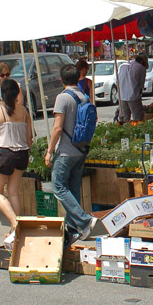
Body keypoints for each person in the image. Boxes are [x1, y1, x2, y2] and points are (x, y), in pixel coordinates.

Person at [45, 64, 97, 243]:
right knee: (73, 190)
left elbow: (58, 127)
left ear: (61, 79)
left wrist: (49, 151)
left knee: (58, 186)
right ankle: (72, 229)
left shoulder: (62, 98)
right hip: (81, 150)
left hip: (66, 151)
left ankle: (84, 221)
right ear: (78, 78)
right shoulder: (84, 96)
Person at [0, 78, 32, 248]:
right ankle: (14, 229)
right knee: (13, 192)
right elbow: (29, 137)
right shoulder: (24, 111)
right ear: (18, 94)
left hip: (4, 153)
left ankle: (15, 223)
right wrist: (27, 150)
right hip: (21, 153)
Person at [117, 55, 148, 123]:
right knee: (138, 118)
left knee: (124, 119)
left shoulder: (123, 66)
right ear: (142, 61)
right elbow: (141, 84)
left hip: (121, 95)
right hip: (133, 95)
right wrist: (140, 93)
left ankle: (124, 131)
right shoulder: (141, 68)